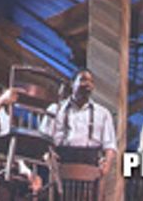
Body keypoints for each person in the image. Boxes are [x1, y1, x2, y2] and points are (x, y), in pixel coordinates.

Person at [54, 69, 117, 199]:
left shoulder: (103, 113)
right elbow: (43, 141)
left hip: (90, 163)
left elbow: (110, 146)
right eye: (83, 80)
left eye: (90, 81)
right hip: (63, 162)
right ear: (72, 83)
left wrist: (106, 167)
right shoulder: (56, 110)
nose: (87, 84)